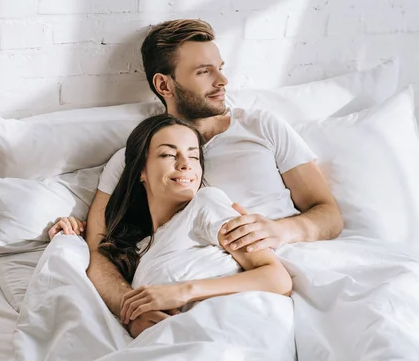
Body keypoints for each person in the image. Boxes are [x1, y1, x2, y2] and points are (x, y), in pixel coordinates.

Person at [50, 18, 343, 336]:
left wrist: (279, 231)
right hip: (209, 289)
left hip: (288, 270)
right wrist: (131, 308)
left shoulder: (261, 126)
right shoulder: (134, 159)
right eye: (204, 72)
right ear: (165, 86)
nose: (223, 81)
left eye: (220, 67)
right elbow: (98, 246)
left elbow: (328, 212)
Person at [50, 114, 293, 339]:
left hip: (233, 334)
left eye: (194, 156)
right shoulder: (138, 251)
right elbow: (98, 266)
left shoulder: (206, 204)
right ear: (141, 171)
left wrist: (184, 291)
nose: (185, 164)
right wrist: (72, 237)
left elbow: (277, 279)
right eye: (168, 155)